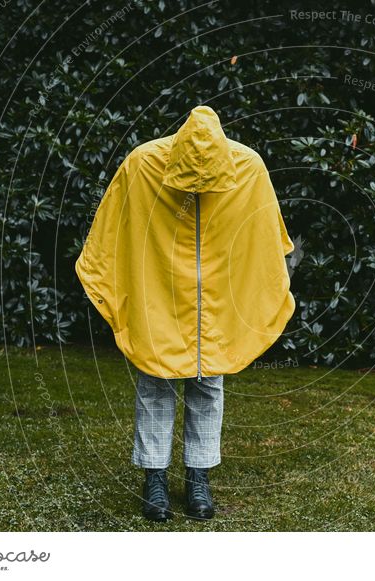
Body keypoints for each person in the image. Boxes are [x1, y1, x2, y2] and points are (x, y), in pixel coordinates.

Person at [75, 105, 296, 522]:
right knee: (154, 381)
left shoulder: (248, 168)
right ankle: (154, 478)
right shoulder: (142, 164)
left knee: (208, 383)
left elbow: (266, 236)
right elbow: (110, 230)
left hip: (217, 300)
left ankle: (199, 478)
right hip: (158, 292)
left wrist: (257, 286)